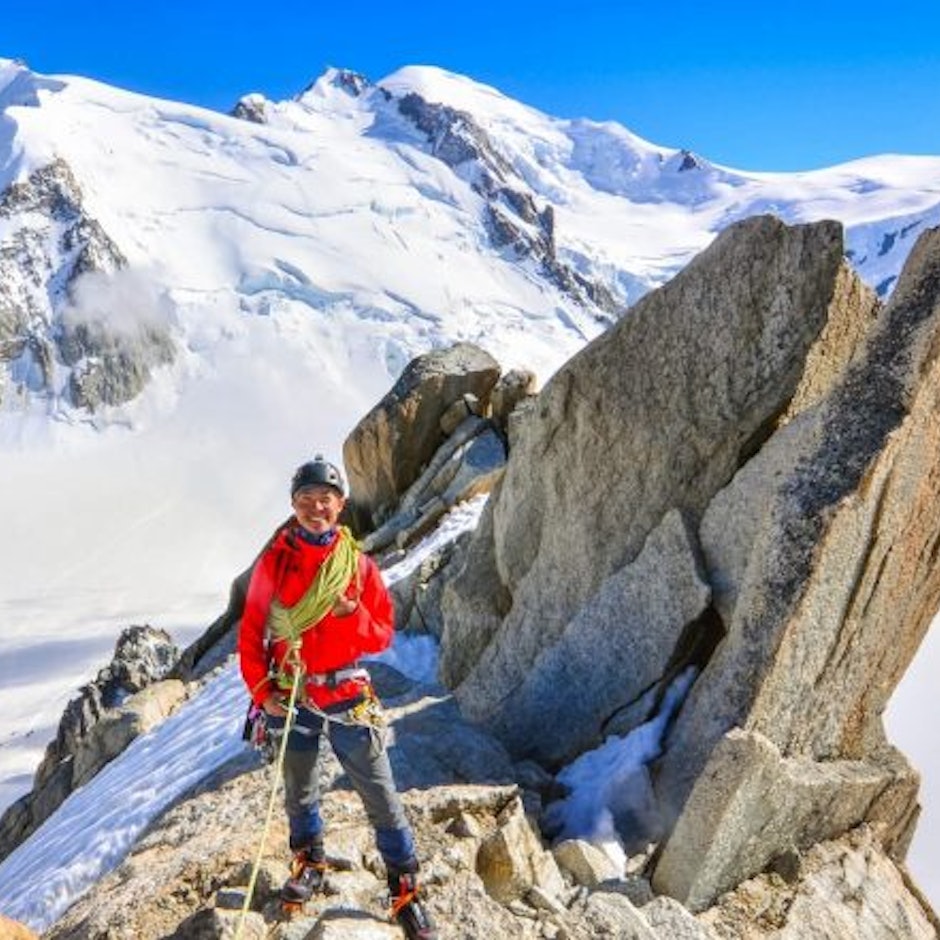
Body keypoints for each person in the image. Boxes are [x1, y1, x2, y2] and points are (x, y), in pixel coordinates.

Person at [237, 455, 437, 940]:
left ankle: (405, 888)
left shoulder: (359, 567)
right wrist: (262, 692)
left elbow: (381, 634)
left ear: (340, 504)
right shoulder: (275, 563)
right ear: (293, 506)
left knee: (380, 793)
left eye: (324, 499)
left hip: (346, 692)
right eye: (305, 500)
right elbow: (252, 630)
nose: (315, 508)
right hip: (293, 692)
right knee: (299, 789)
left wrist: (351, 614)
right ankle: (310, 862)